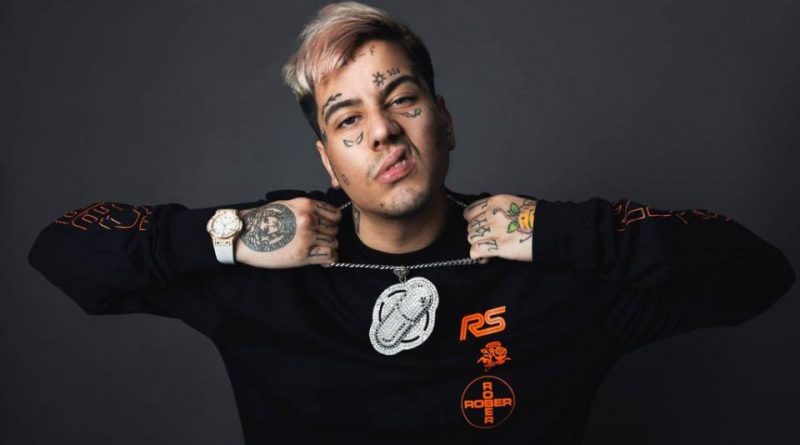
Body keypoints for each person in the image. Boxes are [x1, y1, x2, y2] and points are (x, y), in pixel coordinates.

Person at [28, 2, 795, 444]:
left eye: (402, 99)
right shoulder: (261, 275)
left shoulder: (557, 269)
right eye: (347, 119)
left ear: (443, 119)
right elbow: (61, 251)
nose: (383, 132)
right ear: (327, 160)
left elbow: (758, 274)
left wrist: (560, 232)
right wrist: (228, 233)